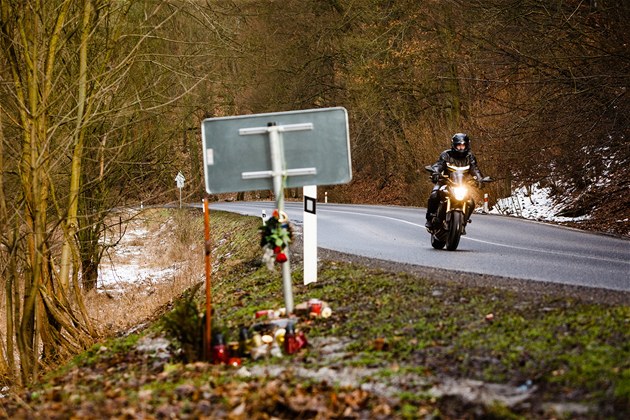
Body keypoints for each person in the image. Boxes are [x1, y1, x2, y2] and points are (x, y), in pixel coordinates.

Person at [425, 133, 485, 231]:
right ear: (454, 145)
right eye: (459, 145)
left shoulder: (470, 157)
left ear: (467, 145)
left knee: (471, 202)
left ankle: (463, 222)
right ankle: (430, 218)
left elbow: (475, 169)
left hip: (462, 185)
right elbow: (438, 165)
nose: (461, 148)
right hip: (445, 182)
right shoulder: (446, 155)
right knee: (434, 195)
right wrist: (435, 173)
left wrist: (480, 179)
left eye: (463, 145)